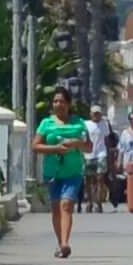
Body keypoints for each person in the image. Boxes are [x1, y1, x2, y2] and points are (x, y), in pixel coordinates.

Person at [35, 95, 96, 255]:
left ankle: (65, 243)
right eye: (55, 101)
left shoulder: (79, 123)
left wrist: (75, 143)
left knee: (66, 204)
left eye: (62, 101)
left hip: (73, 172)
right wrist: (55, 148)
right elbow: (36, 146)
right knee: (56, 208)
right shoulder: (46, 123)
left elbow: (89, 147)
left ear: (68, 104)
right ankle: (59, 241)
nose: (58, 104)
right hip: (52, 172)